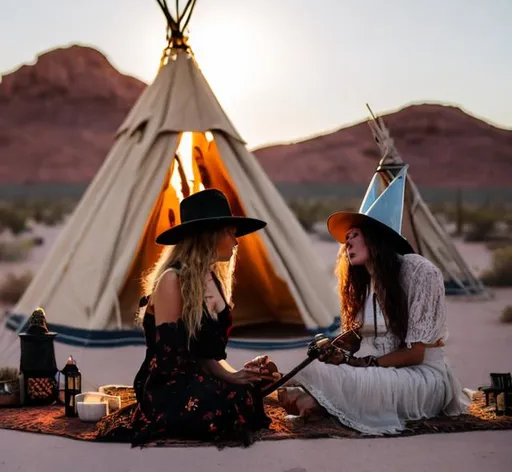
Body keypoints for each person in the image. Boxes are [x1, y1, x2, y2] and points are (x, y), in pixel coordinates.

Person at [278, 168, 470, 435]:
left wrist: (360, 365)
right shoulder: (363, 282)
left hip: (419, 378)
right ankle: (317, 404)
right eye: (346, 240)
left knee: (320, 383)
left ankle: (319, 405)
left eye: (354, 235)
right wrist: (338, 350)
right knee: (305, 374)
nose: (347, 244)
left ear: (376, 237)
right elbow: (359, 339)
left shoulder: (420, 273)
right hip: (371, 373)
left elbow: (415, 354)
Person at [96, 189, 279, 446]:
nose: (236, 241)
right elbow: (173, 359)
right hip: (169, 384)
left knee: (248, 392)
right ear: (209, 235)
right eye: (229, 232)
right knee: (225, 403)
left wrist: (239, 374)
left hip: (199, 377)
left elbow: (208, 355)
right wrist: (227, 378)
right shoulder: (172, 281)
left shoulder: (213, 279)